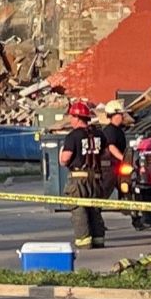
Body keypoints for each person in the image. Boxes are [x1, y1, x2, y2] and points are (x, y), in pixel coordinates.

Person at [60, 100, 108, 249]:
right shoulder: (99, 134)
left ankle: (84, 242)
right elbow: (105, 154)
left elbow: (64, 159)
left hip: (78, 179)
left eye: (72, 117)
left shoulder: (73, 136)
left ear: (77, 118)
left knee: (79, 210)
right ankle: (98, 239)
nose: (70, 120)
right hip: (96, 178)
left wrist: (62, 151)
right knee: (94, 208)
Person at [100, 99, 127, 199]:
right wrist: (124, 159)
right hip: (109, 168)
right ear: (114, 115)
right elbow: (111, 147)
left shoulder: (118, 130)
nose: (122, 117)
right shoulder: (110, 130)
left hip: (115, 166)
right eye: (120, 114)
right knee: (103, 193)